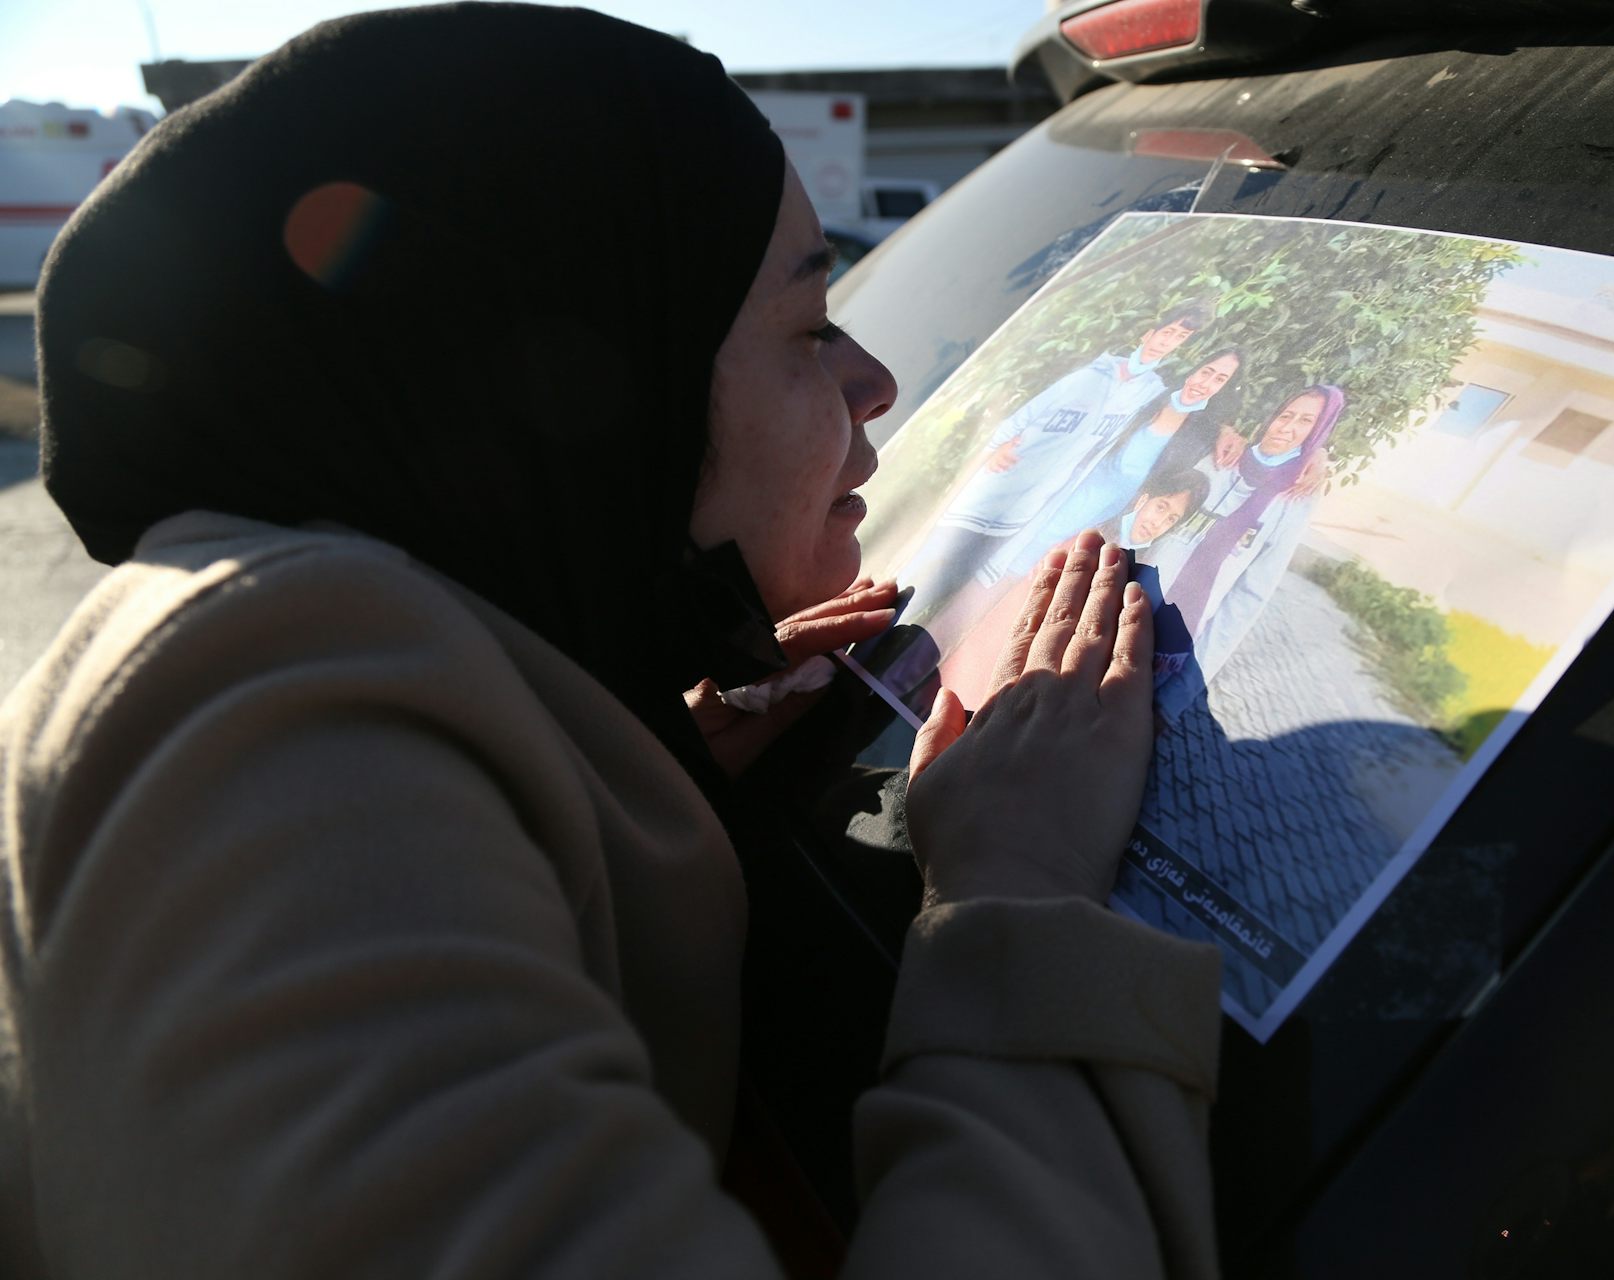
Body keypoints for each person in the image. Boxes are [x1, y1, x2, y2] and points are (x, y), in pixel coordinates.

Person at [0, 9, 1221, 1279]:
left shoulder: (336, 663)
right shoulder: (266, 732)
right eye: (809, 326)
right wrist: (1018, 888)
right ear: (596, 395)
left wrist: (614, 762)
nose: (875, 382)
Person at [896, 299, 1214, 621]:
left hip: (1030, 507)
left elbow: (1181, 405)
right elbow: (1033, 409)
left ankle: (889, 639)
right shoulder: (1094, 370)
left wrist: (1227, 428)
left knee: (956, 584)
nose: (1168, 341)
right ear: (1149, 333)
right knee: (927, 565)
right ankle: (868, 627)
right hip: (999, 482)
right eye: (1168, 332)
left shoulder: (1149, 392)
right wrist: (998, 445)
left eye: (1179, 338)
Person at [932, 469, 1214, 711]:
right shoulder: (1094, 536)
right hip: (1010, 630)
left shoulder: (1139, 569)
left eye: (1171, 519)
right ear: (1144, 499)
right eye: (1161, 507)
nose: (1158, 523)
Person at [1151, 385, 1346, 727]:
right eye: (1285, 415)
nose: (1287, 427)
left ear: (1317, 434)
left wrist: (1178, 696)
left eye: (1305, 422)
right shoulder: (1222, 456)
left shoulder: (1295, 497)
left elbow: (1248, 598)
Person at [980, 349, 1244, 587]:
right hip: (1065, 494)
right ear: (1194, 370)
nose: (1206, 383)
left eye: (1219, 380)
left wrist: (1227, 430)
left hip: (1099, 523)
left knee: (1029, 586)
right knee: (1000, 564)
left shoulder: (1201, 435)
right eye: (1206, 372)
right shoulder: (1151, 394)